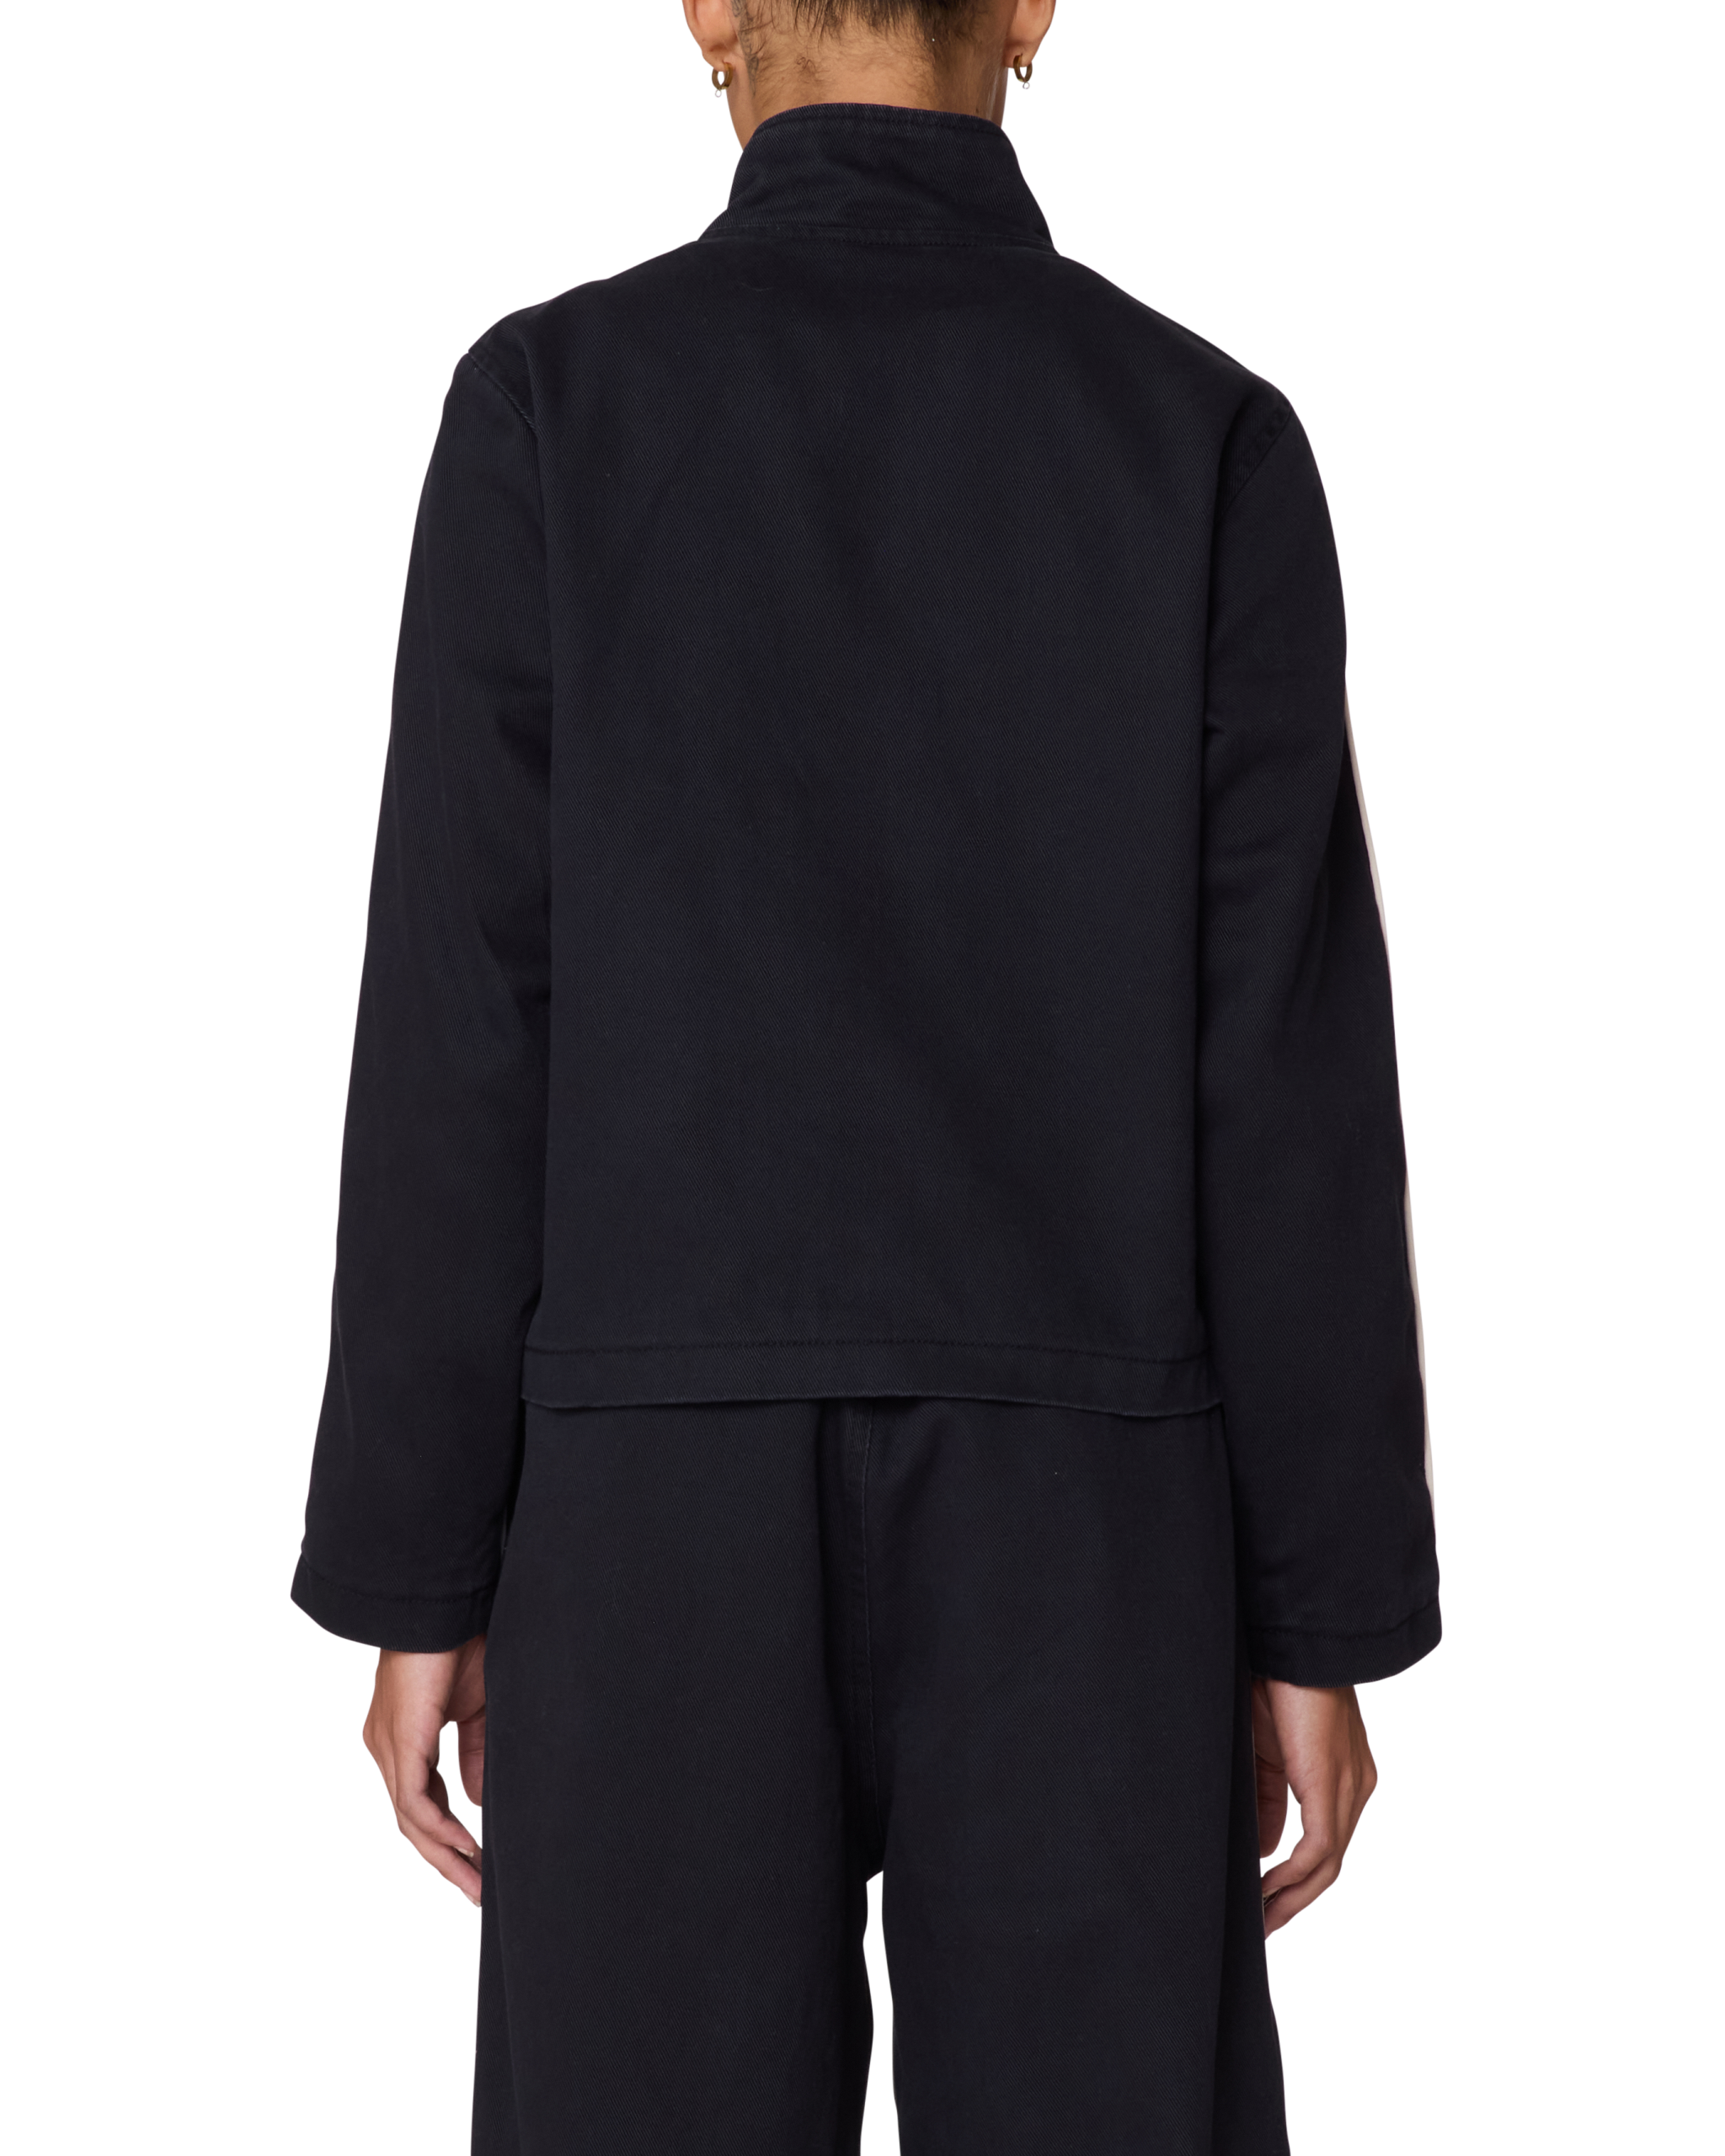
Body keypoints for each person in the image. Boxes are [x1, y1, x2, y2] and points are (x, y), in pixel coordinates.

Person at [289, 0, 1442, 2148]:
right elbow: (1290, 1072)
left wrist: (415, 1567)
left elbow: (460, 1020)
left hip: (648, 1492)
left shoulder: (547, 403)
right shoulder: (1205, 435)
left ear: (710, 10)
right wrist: (1322, 1611)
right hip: (1093, 1486)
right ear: (1031, 7)